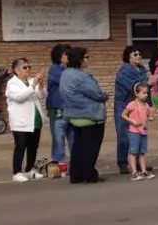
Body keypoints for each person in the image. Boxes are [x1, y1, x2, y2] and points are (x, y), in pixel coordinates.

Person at [60, 47, 110, 185]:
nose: (88, 60)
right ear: (79, 59)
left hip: (75, 115)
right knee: (90, 148)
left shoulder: (65, 74)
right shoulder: (81, 76)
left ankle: (76, 175)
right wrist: (105, 96)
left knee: (78, 147)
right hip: (90, 116)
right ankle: (89, 174)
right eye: (86, 57)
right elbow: (97, 94)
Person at [5, 57, 46, 183]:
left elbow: (42, 95)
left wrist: (40, 84)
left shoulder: (31, 80)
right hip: (20, 122)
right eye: (25, 67)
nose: (28, 69)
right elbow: (19, 97)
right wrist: (33, 85)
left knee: (33, 146)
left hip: (35, 119)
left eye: (29, 67)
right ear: (16, 70)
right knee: (21, 146)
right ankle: (16, 172)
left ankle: (29, 170)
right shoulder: (12, 83)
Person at [114, 46, 152, 175]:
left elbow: (145, 91)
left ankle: (137, 162)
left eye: (140, 54)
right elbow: (134, 88)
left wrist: (149, 105)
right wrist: (149, 84)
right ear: (128, 57)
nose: (138, 56)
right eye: (135, 54)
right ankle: (123, 163)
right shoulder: (124, 71)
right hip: (125, 104)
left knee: (139, 134)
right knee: (124, 135)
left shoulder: (141, 69)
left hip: (139, 105)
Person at [46, 43, 73, 173]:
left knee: (73, 138)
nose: (68, 56)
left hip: (71, 110)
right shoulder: (54, 69)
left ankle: (74, 165)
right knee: (58, 139)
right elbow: (67, 79)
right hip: (57, 110)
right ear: (58, 56)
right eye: (65, 54)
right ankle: (60, 166)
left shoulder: (71, 69)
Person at [121, 83, 155, 180]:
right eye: (144, 93)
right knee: (133, 152)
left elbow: (149, 115)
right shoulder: (132, 104)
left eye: (147, 93)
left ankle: (144, 171)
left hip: (143, 132)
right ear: (136, 93)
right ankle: (134, 172)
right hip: (134, 131)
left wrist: (151, 116)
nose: (146, 95)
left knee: (142, 152)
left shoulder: (146, 105)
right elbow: (123, 115)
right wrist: (133, 121)